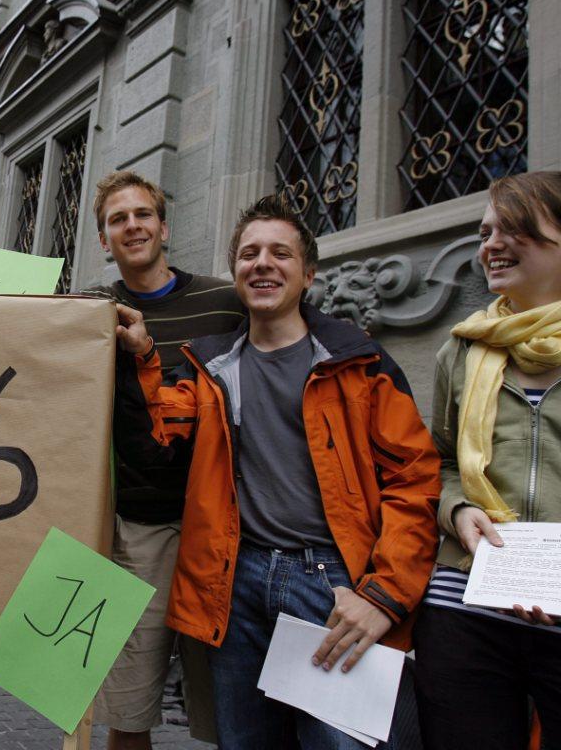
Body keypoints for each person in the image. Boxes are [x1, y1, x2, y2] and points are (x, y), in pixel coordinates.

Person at [113, 194, 441, 749]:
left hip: (332, 587)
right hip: (236, 584)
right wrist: (144, 355)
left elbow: (415, 480)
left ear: (307, 273)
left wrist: (384, 594)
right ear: (236, 271)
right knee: (243, 741)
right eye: (248, 253)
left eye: (280, 253)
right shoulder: (209, 367)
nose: (262, 263)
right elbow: (159, 433)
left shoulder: (359, 363)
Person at [86, 171, 242, 750]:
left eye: (142, 214)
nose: (132, 226)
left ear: (163, 226)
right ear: (104, 240)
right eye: (117, 220)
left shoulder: (225, 303)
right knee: (129, 709)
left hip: (222, 532)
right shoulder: (90, 313)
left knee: (233, 709)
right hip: (134, 530)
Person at [414, 171, 561, 750]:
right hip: (463, 604)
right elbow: (443, 460)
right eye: (485, 232)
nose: (491, 244)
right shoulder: (464, 347)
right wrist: (455, 510)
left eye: (515, 228)